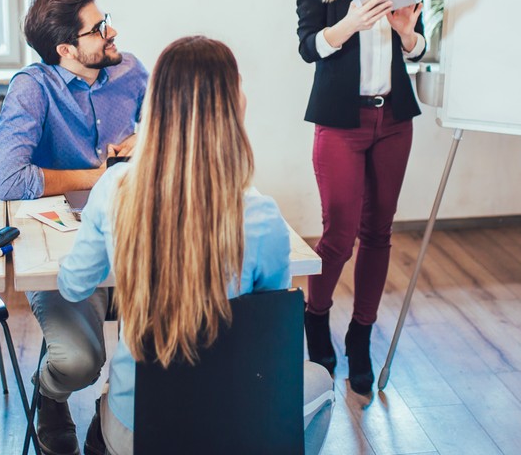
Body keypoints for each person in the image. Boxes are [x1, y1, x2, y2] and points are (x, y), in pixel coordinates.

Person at [59, 36, 334, 455]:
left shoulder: (114, 189)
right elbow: (265, 331)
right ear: (230, 106)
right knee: (321, 382)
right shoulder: (262, 217)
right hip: (232, 425)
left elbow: (74, 285)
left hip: (138, 432)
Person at [0, 0, 147, 455]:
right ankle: (51, 392)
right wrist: (97, 176)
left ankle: (115, 412)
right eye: (97, 29)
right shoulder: (32, 89)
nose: (111, 32)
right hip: (64, 248)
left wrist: (143, 140)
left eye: (106, 21)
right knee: (80, 363)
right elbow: (7, 179)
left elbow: (166, 126)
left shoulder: (131, 71)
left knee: (169, 347)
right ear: (65, 49)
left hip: (134, 238)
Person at [295, 0, 426, 394]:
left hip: (393, 120)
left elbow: (418, 48)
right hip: (340, 123)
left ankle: (361, 335)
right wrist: (351, 23)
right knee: (339, 234)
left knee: (378, 232)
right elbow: (308, 46)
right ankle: (316, 318)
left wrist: (407, 34)